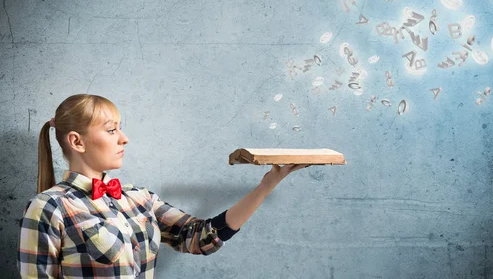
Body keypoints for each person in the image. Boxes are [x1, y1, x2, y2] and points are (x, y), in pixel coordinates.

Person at [17, 94, 310, 278]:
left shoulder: (139, 199)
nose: (124, 138)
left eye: (120, 128)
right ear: (76, 141)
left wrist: (267, 185)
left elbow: (200, 238)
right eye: (111, 130)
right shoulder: (48, 208)